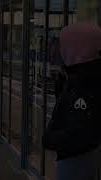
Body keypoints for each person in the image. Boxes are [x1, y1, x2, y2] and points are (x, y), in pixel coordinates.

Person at [42, 23, 101, 180]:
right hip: (76, 158)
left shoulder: (86, 83)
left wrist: (49, 139)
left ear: (77, 49)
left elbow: (80, 133)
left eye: (63, 45)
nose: (59, 50)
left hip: (76, 159)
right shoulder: (77, 77)